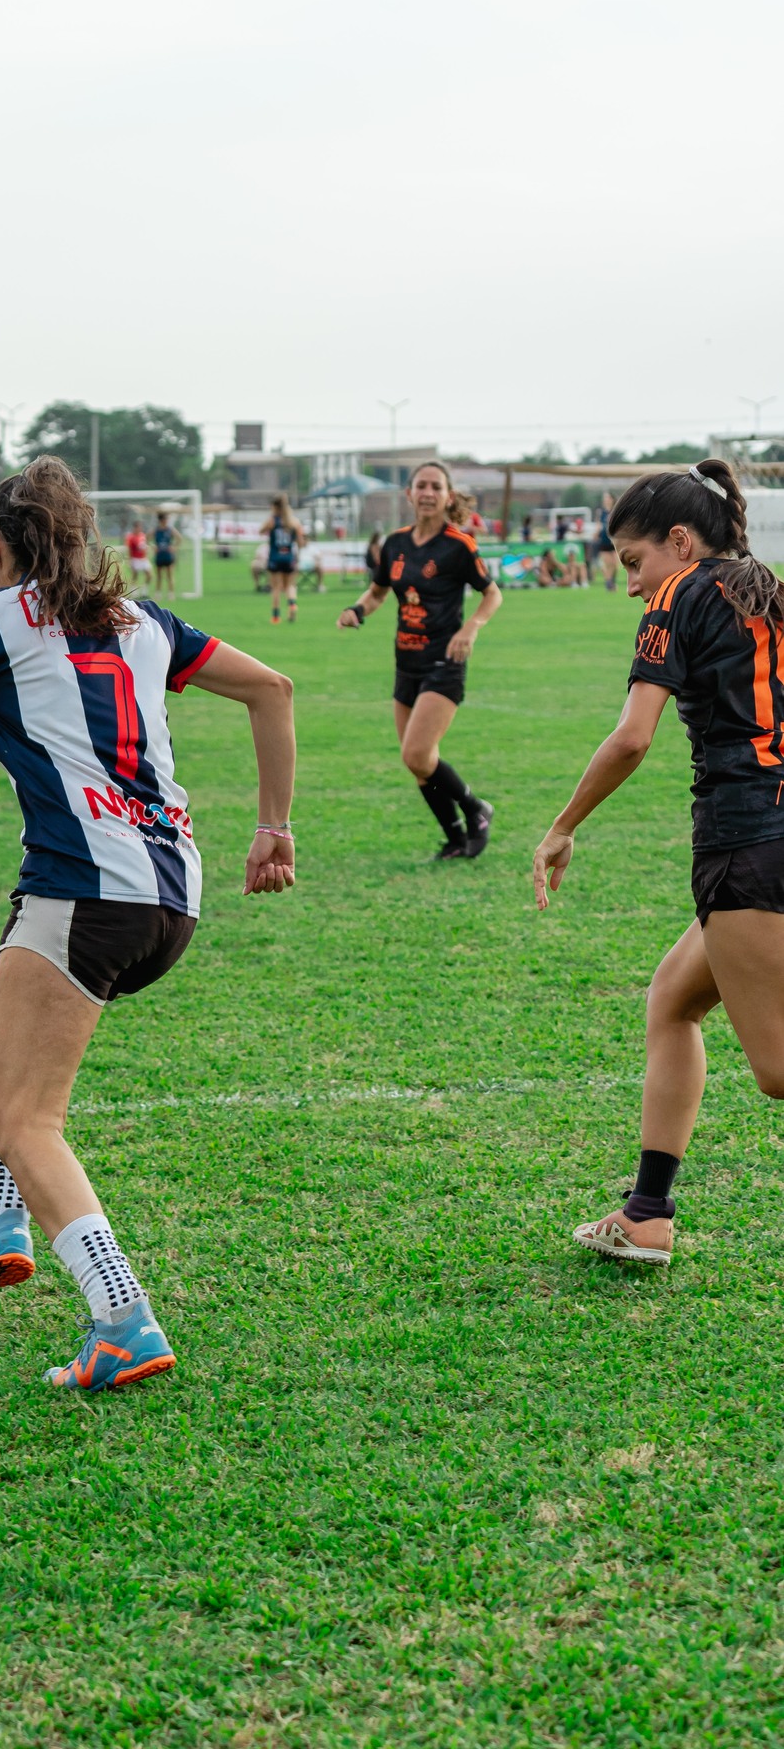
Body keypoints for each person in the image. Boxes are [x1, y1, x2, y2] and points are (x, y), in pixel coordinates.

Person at [0, 456, 296, 1392]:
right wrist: (272, 829)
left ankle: (120, 1313)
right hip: (172, 895)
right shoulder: (146, 620)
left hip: (82, 891)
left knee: (25, 1118)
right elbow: (272, 690)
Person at [533, 459, 784, 1268]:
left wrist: (561, 826)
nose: (633, 584)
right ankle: (646, 1214)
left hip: (748, 840)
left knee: (777, 1070)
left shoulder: (680, 595)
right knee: (672, 1001)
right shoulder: (765, 588)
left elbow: (632, 736)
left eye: (634, 561)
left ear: (678, 542)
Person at [336, 459, 502, 859]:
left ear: (447, 496)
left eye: (436, 487)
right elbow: (376, 592)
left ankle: (476, 808)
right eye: (421, 486)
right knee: (419, 763)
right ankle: (456, 838)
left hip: (444, 662)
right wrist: (357, 610)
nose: (428, 493)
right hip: (405, 663)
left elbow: (492, 594)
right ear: (409, 494)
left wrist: (471, 627)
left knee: (415, 753)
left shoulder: (459, 546)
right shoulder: (395, 543)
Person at [260, 494, 305, 625]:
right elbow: (301, 542)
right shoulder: (294, 522)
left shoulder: (273, 520)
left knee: (276, 588)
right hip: (289, 557)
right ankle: (292, 604)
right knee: (290, 585)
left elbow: (261, 531)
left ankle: (275, 617)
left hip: (274, 558)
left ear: (274, 507)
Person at [153, 510, 181, 600]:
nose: (166, 521)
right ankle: (158, 594)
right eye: (165, 519)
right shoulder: (156, 530)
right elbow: (146, 538)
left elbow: (179, 538)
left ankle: (171, 593)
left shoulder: (170, 530)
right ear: (161, 520)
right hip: (159, 555)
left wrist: (174, 547)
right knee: (159, 576)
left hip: (168, 555)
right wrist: (152, 547)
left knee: (170, 575)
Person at [596, 493, 617, 591]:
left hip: (613, 541)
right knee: (608, 563)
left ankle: (610, 581)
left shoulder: (615, 511)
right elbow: (599, 525)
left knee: (615, 564)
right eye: (605, 498)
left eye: (608, 498)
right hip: (604, 540)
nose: (606, 500)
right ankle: (609, 583)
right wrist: (596, 534)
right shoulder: (601, 512)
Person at [125, 518, 151, 588]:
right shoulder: (130, 537)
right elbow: (129, 549)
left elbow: (144, 545)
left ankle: (144, 590)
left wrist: (147, 549)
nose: (140, 528)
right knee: (135, 575)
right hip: (135, 558)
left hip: (143, 558)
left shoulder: (142, 535)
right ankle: (133, 590)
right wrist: (129, 560)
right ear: (135, 527)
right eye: (139, 526)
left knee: (149, 575)